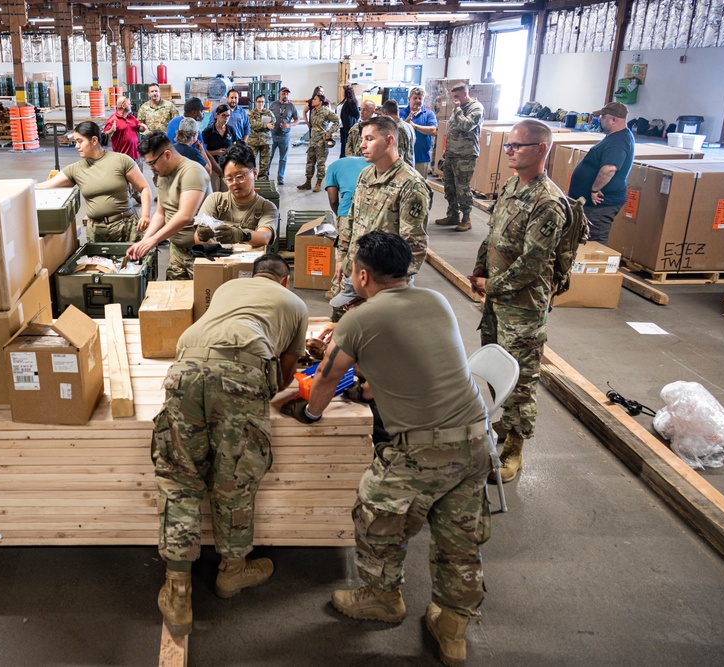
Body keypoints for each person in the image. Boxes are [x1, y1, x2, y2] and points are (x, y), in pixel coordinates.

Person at [281, 231, 491, 667]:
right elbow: (406, 366)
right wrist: (363, 392)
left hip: (424, 450)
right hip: (476, 440)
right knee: (458, 539)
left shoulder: (360, 319)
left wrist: (311, 416)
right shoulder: (436, 301)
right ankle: (452, 628)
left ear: (361, 275)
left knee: (374, 511)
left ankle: (381, 597)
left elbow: (321, 381)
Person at [153, 252, 309, 638]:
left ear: (254, 275)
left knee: (180, 478)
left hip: (184, 368)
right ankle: (233, 572)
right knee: (234, 479)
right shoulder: (295, 304)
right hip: (242, 370)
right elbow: (285, 375)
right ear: (284, 281)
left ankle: (178, 590)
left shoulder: (227, 287)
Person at [468, 119, 566, 484]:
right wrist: (479, 267)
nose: (509, 151)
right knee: (493, 369)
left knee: (521, 380)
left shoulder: (548, 202)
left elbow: (533, 263)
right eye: (508, 145)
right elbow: (492, 234)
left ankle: (514, 448)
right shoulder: (511, 186)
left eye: (517, 146)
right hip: (498, 301)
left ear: (541, 149)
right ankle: (500, 423)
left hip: (522, 307)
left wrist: (491, 284)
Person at [329, 115, 430, 312]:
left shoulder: (411, 185)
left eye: (369, 139)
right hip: (354, 274)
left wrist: (381, 289)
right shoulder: (366, 175)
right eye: (362, 139)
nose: (362, 146)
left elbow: (414, 247)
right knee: (341, 332)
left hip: (381, 286)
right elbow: (350, 220)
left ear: (389, 140)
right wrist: (341, 257)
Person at [37, 120, 151, 243]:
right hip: (96, 231)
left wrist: (145, 215)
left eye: (80, 141)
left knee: (132, 262)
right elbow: (45, 186)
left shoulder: (121, 160)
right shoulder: (75, 169)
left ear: (94, 140)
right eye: (76, 142)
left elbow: (144, 188)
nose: (76, 146)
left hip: (126, 228)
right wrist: (24, 187)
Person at [127, 131, 212, 279]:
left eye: (152, 163)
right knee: (175, 295)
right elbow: (161, 212)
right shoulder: (163, 174)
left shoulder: (192, 172)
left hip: (200, 252)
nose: (151, 168)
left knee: (202, 297)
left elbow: (185, 215)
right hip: (177, 250)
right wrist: (145, 240)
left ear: (167, 155)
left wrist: (154, 240)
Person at [567, 101, 635, 245]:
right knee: (585, 238)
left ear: (614, 119)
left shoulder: (619, 141)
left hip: (601, 204)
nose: (599, 119)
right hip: (592, 204)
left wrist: (594, 189)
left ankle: (596, 267)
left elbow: (609, 169)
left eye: (603, 117)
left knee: (595, 242)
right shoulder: (615, 137)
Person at [194, 143, 278, 247]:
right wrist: (203, 235)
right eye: (229, 179)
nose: (235, 182)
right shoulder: (215, 200)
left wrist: (240, 235)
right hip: (219, 261)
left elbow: (264, 237)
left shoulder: (266, 208)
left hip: (250, 262)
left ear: (255, 173)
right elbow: (197, 238)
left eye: (240, 176)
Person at [435, 83, 484, 232]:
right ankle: (453, 215)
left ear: (465, 94)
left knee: (462, 188)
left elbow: (466, 126)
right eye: (453, 97)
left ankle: (466, 219)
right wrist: (446, 149)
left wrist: (457, 109)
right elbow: (452, 129)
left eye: (457, 97)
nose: (454, 100)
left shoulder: (476, 108)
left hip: (465, 155)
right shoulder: (458, 109)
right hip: (451, 154)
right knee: (449, 187)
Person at [324, 155, 368, 298]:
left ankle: (338, 290)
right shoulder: (369, 162)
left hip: (346, 210)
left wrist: (340, 215)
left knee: (343, 251)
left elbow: (333, 199)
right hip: (371, 210)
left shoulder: (333, 167)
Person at [297, 93, 340, 193]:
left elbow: (337, 121)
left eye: (315, 99)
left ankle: (318, 184)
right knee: (309, 163)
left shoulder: (326, 112)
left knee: (320, 163)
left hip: (321, 142)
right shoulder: (313, 112)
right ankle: (307, 183)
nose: (312, 101)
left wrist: (329, 132)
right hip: (312, 141)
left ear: (320, 101)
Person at [400, 86, 438, 178]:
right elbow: (397, 130)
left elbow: (433, 130)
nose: (417, 100)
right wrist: (407, 121)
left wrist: (414, 126)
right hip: (403, 159)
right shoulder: (401, 113)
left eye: (420, 98)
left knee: (420, 186)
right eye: (415, 98)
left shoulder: (429, 114)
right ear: (409, 99)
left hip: (421, 158)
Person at [268, 86, 299, 184]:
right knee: (269, 156)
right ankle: (265, 176)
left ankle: (280, 178)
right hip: (273, 135)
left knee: (283, 158)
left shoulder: (291, 106)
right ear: (279, 94)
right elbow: (267, 116)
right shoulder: (273, 105)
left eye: (287, 94)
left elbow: (297, 120)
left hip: (284, 136)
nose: (285, 95)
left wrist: (289, 124)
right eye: (283, 94)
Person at [103, 96, 147, 165]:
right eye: (129, 104)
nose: (131, 105)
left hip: (136, 157)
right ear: (123, 105)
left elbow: (138, 128)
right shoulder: (112, 120)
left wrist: (143, 128)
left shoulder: (131, 117)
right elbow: (104, 138)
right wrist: (111, 131)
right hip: (122, 159)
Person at [381, 100, 414, 169]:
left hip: (401, 171)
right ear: (398, 111)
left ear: (385, 113)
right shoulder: (409, 126)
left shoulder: (396, 129)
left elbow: (398, 155)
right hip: (410, 167)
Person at [247, 94, 276, 176]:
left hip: (266, 142)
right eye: (259, 102)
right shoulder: (251, 113)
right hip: (253, 142)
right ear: (256, 102)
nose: (261, 104)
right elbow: (252, 124)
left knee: (265, 164)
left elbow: (273, 123)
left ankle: (263, 181)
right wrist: (265, 125)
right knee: (250, 162)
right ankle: (252, 180)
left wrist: (263, 125)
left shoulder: (268, 113)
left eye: (262, 102)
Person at [339, 86, 360, 159]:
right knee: (343, 143)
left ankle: (344, 157)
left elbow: (357, 114)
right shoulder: (344, 101)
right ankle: (342, 157)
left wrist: (350, 120)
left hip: (348, 126)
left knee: (346, 144)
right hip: (342, 126)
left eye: (343, 91)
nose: (342, 93)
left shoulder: (350, 101)